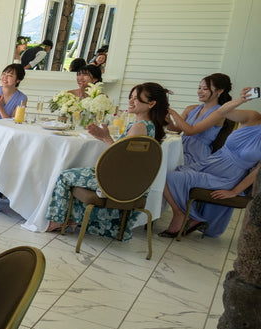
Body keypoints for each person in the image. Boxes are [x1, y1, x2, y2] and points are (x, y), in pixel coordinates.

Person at [44, 82, 170, 237]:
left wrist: (106, 138)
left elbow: (122, 160)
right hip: (133, 182)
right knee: (78, 172)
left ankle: (57, 221)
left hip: (117, 181)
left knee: (65, 176)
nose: (131, 101)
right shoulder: (150, 126)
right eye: (131, 97)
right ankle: (72, 220)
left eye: (136, 99)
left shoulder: (139, 127)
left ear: (151, 103)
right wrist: (106, 137)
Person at [160, 88, 261, 238]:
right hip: (211, 162)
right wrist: (241, 99)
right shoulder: (254, 117)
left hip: (228, 176)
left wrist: (234, 191)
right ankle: (184, 214)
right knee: (164, 172)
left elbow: (257, 172)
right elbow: (222, 112)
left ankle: (182, 214)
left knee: (169, 177)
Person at [166, 73, 233, 169]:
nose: (199, 92)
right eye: (199, 88)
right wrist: (168, 120)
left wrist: (173, 113)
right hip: (180, 148)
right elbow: (176, 131)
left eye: (205, 89)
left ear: (219, 91)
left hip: (196, 154)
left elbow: (190, 131)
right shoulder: (191, 108)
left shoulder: (219, 113)